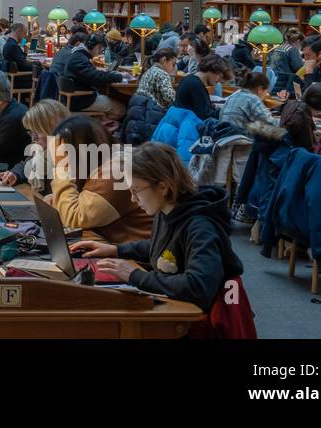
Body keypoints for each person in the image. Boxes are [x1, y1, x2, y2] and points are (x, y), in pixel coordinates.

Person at [72, 142, 254, 337]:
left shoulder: (201, 226)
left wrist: (135, 276)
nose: (133, 199)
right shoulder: (167, 210)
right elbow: (166, 248)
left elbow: (198, 286)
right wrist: (116, 250)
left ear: (163, 187)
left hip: (202, 321)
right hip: (185, 307)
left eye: (136, 191)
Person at [49, 114, 152, 243]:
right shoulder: (102, 162)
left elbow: (74, 219)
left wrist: (61, 169)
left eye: (63, 153)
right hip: (108, 245)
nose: (60, 159)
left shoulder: (115, 172)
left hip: (133, 258)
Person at [0, 99, 70, 190]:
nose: (33, 138)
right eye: (31, 132)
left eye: (38, 131)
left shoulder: (70, 157)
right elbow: (25, 165)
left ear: (53, 129)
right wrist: (14, 175)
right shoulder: (42, 152)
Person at [59, 31, 125, 114]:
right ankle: (98, 123)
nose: (100, 52)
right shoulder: (79, 58)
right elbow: (95, 77)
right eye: (100, 48)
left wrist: (97, 70)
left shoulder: (78, 54)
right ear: (92, 46)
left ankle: (99, 121)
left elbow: (88, 73)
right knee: (121, 109)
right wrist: (118, 76)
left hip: (77, 97)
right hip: (81, 100)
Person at [173, 54, 229, 121]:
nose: (220, 80)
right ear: (212, 70)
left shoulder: (189, 79)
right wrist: (227, 111)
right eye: (220, 76)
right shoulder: (195, 84)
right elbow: (205, 115)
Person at [267, 28, 304, 96]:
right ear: (298, 41)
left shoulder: (278, 47)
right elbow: (298, 67)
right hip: (284, 82)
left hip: (272, 79)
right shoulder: (292, 49)